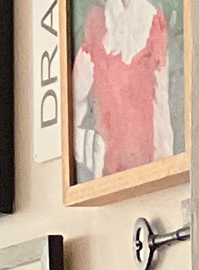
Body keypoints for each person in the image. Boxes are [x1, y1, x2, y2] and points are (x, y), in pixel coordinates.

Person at [71, 0, 175, 179]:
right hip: (107, 161)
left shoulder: (153, 22)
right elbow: (75, 95)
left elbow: (161, 101)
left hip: (145, 157)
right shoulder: (97, 24)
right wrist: (80, 143)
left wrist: (165, 162)